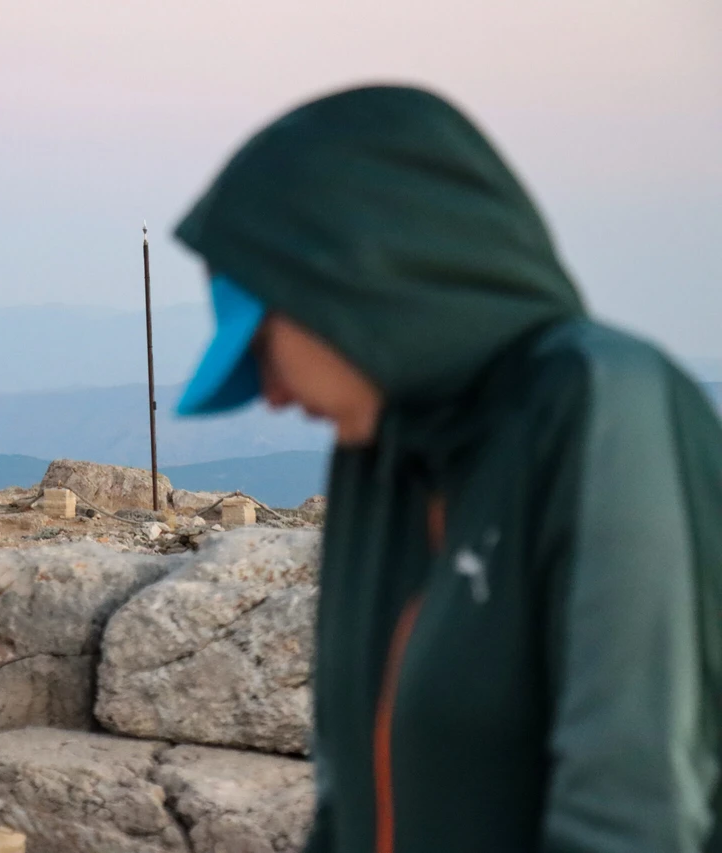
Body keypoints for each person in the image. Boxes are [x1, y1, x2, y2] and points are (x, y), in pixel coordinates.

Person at [174, 84, 722, 852]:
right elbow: (347, 802)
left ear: (352, 282)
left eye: (262, 345)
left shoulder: (600, 409)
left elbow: (633, 813)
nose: (270, 391)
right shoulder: (380, 459)